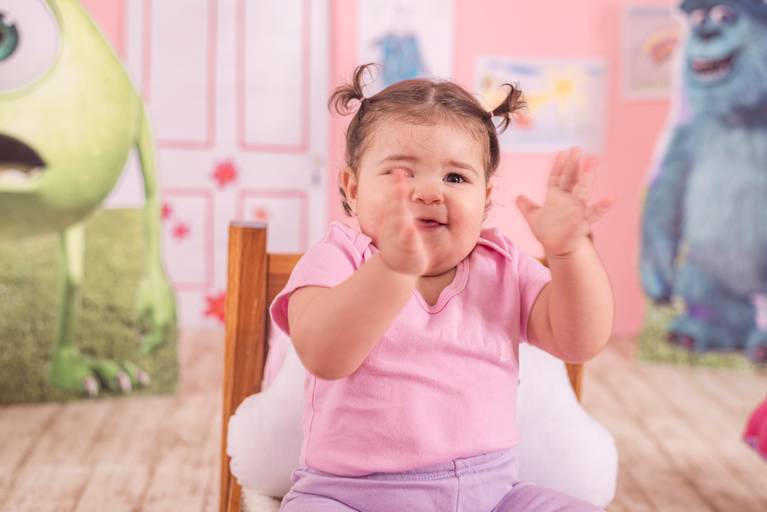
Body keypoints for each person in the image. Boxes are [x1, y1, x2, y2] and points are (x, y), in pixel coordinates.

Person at [269, 63, 615, 511]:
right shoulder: (339, 258)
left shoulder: (503, 266)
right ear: (352, 189)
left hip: (490, 497)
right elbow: (324, 355)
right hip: (350, 497)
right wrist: (393, 269)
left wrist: (570, 253)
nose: (429, 192)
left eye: (455, 178)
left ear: (485, 199)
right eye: (402, 173)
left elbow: (578, 341)